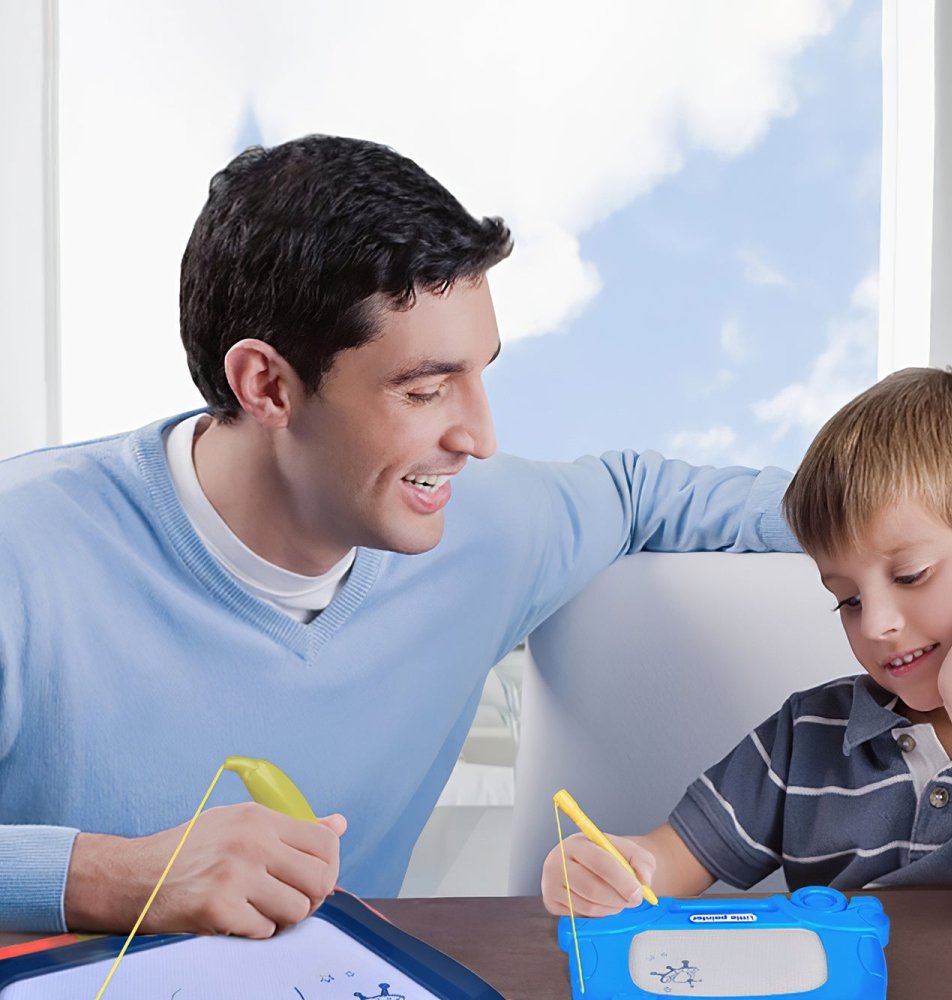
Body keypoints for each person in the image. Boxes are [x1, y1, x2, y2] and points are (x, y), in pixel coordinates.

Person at [0, 134, 801, 936]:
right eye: (425, 390)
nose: (480, 437)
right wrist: (110, 877)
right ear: (267, 386)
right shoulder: (25, 548)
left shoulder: (483, 526)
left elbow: (637, 493)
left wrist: (918, 522)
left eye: (481, 372)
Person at [543, 367, 952, 919]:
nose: (876, 623)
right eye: (847, 598)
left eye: (911, 576)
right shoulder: (806, 736)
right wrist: (617, 868)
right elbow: (667, 864)